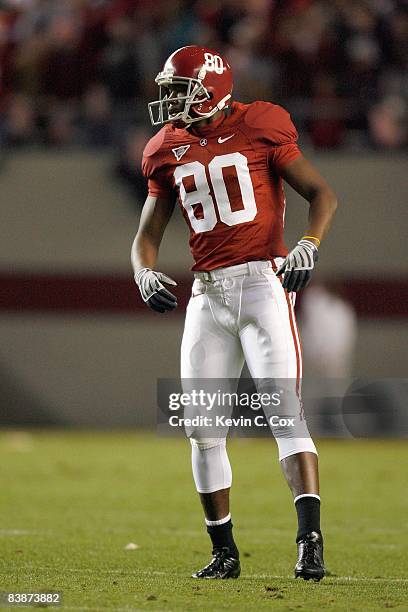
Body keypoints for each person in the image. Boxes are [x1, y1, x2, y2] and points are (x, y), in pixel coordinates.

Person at [131, 46, 337, 581]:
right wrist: (144, 271)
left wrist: (309, 244)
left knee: (284, 415)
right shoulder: (165, 148)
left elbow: (321, 194)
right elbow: (147, 234)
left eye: (182, 89)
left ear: (213, 87)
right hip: (207, 295)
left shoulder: (261, 123)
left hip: (264, 284)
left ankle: (309, 541)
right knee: (202, 427)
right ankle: (224, 552)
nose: (172, 101)